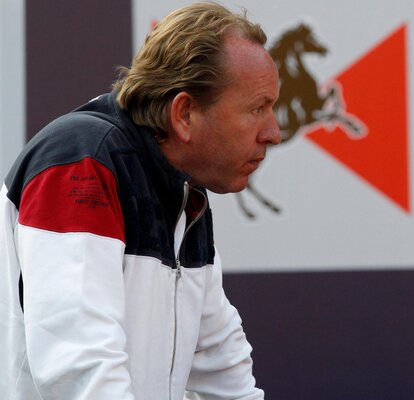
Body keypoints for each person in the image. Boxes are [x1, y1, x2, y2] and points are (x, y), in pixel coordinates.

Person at [0, 2, 280, 399]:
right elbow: (79, 372)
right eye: (257, 108)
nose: (274, 132)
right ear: (184, 114)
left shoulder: (187, 192)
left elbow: (224, 371)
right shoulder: (81, 160)